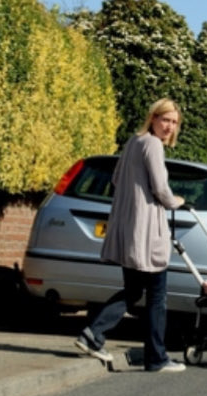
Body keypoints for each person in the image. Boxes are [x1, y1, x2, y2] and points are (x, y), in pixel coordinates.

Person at [74, 98, 186, 372]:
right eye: (165, 120)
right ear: (153, 118)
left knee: (134, 291)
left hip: (128, 226)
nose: (169, 127)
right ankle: (157, 358)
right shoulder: (153, 145)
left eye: (173, 122)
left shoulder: (133, 143)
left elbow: (115, 180)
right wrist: (176, 201)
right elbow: (160, 188)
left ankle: (93, 334)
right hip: (147, 230)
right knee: (157, 296)